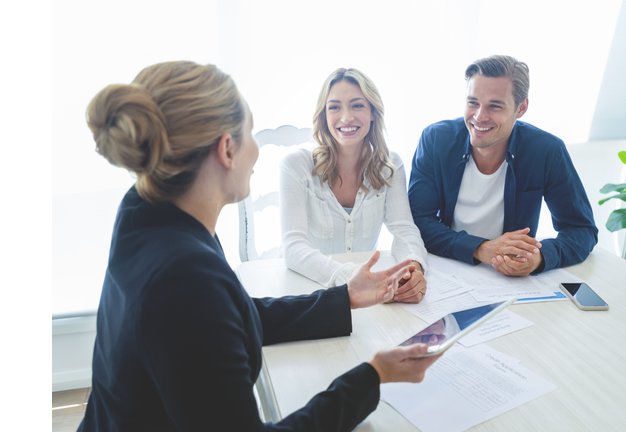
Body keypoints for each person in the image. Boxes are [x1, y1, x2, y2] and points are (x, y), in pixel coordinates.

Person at [77, 61, 442, 432]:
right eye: (250, 133)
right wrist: (372, 376)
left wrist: (344, 297)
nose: (257, 151)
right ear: (227, 150)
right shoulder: (183, 277)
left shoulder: (149, 211)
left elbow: (227, 316)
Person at [408, 55, 597, 276]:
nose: (479, 117)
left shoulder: (547, 151)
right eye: (473, 103)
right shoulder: (436, 140)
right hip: (446, 266)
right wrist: (481, 248)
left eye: (494, 106)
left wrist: (540, 258)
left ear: (521, 108)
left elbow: (582, 230)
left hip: (510, 279)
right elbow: (417, 221)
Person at [279, 68, 428, 303]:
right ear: (324, 116)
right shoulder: (296, 165)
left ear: (372, 113)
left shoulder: (391, 165)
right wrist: (352, 278)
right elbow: (294, 249)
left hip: (365, 297)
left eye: (357, 105)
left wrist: (413, 267)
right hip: (305, 289)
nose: (346, 117)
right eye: (335, 107)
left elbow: (404, 229)